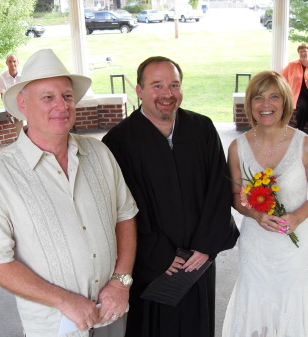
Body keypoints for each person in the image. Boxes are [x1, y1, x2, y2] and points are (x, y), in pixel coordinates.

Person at [0, 49, 138, 337]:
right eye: (48, 97)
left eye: (67, 96)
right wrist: (64, 300)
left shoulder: (99, 153)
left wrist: (121, 281)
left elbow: (125, 215)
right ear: (22, 104)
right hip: (54, 325)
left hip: (111, 312)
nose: (61, 105)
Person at [102, 56, 239, 337]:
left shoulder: (202, 129)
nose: (167, 94)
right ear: (138, 91)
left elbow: (218, 188)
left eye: (174, 85)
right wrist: (160, 254)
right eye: (157, 85)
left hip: (197, 261)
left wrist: (205, 245)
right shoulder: (119, 141)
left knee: (195, 325)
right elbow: (119, 208)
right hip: (151, 264)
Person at [222, 71, 308, 337]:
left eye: (273, 97)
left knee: (289, 304)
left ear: (285, 102)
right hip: (255, 244)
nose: (265, 105)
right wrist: (256, 215)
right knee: (255, 301)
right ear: (250, 103)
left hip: (295, 246)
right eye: (258, 98)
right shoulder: (237, 147)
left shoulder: (305, 145)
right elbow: (236, 196)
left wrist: (297, 217)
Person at [0, 53, 24, 136]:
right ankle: (22, 140)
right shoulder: (1, 77)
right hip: (11, 103)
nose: (12, 64)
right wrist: (8, 108)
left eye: (14, 61)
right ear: (6, 63)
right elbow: (3, 95)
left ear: (18, 62)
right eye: (10, 61)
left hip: (24, 101)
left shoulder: (23, 73)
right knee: (19, 120)